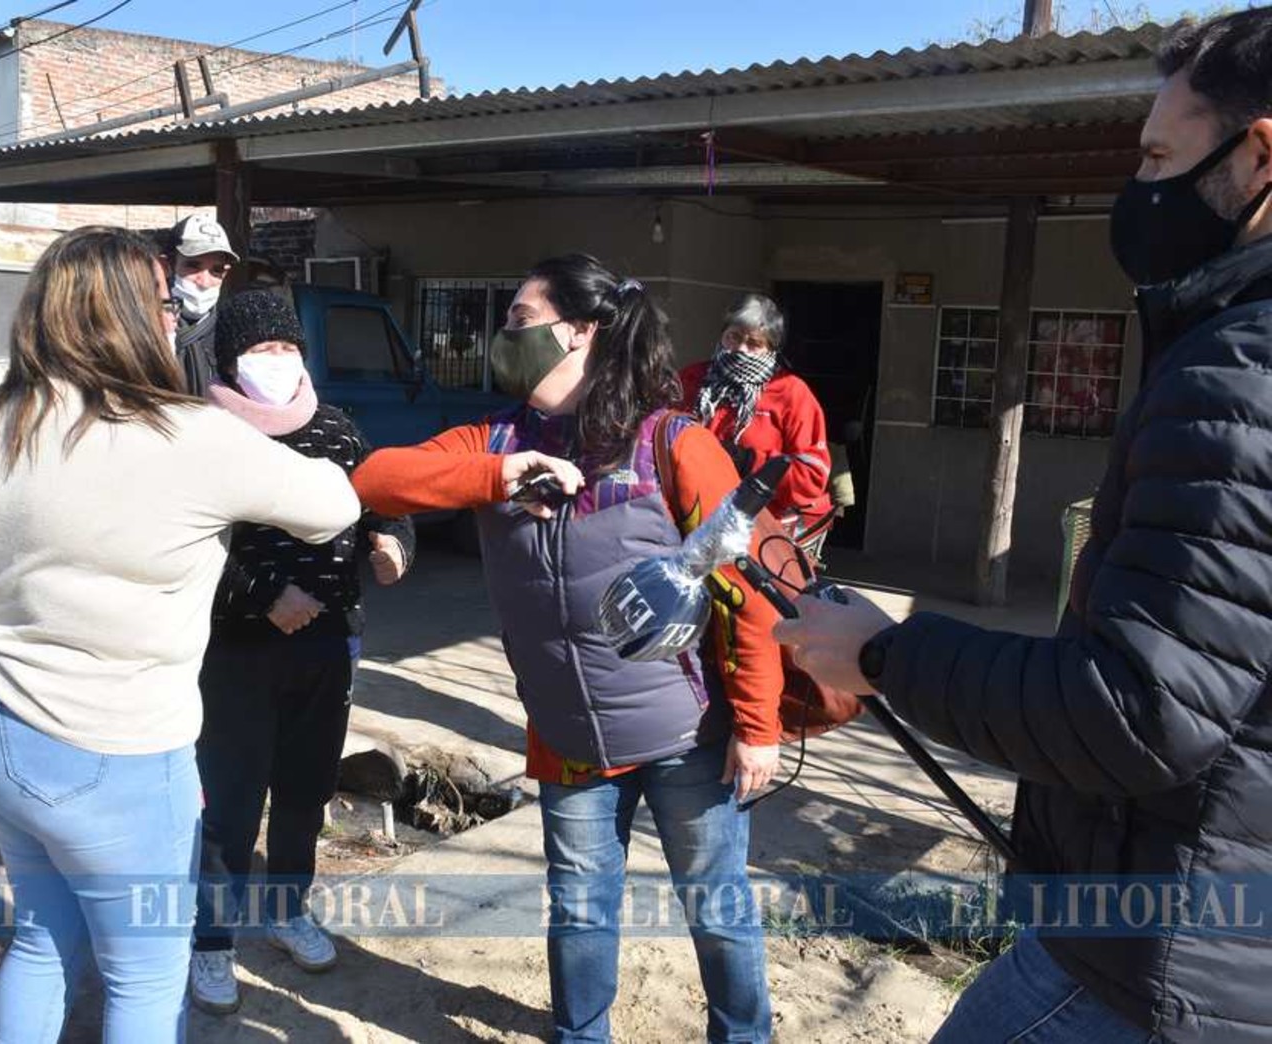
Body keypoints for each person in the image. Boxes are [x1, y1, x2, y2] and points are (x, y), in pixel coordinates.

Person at [774, 12, 1272, 1044]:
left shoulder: (1236, 374)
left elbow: (1136, 711)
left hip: (1153, 960)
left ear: (1259, 152)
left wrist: (881, 653)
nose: (1135, 192)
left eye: (1156, 158)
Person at [0, 227, 360, 1043]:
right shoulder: (183, 435)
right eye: (164, 304)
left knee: (42, 935)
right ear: (130, 317)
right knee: (146, 975)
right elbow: (333, 506)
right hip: (104, 746)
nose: (175, 318)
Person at [353, 255, 783, 1043]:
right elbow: (376, 480)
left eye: (518, 318)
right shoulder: (497, 437)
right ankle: (582, 1035)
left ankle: (743, 1035)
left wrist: (757, 725)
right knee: (580, 905)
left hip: (686, 734)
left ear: (580, 331)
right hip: (566, 735)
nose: (502, 335)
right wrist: (494, 475)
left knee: (714, 904)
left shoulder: (671, 442)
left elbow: (747, 588)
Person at [187, 289, 416, 1013]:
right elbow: (187, 544)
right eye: (261, 349)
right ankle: (211, 944)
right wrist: (261, 595)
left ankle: (288, 912)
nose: (277, 362)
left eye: (287, 348)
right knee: (229, 804)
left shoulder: (338, 431)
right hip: (236, 652)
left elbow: (383, 503)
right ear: (229, 359)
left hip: (326, 646)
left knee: (303, 794)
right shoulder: (201, 436)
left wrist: (392, 545)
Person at [679, 294, 833, 557]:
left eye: (754, 343)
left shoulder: (791, 393)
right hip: (690, 521)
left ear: (771, 349)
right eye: (734, 337)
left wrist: (750, 462)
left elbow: (811, 477)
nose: (741, 349)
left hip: (756, 533)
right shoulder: (691, 379)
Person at [165, 212, 238, 397]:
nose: (204, 281)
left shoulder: (232, 333)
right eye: (193, 265)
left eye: (217, 270)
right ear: (169, 265)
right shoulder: (139, 329)